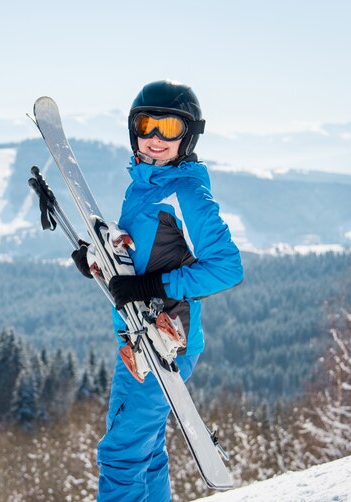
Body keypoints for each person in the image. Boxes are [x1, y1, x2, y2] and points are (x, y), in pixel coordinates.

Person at [73, 80, 243, 501]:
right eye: (146, 125)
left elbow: (227, 268)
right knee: (145, 453)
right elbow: (146, 251)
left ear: (188, 135)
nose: (154, 138)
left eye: (168, 128)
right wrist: (97, 259)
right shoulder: (145, 184)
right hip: (140, 337)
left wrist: (152, 285)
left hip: (165, 341)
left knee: (121, 454)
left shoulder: (184, 190)